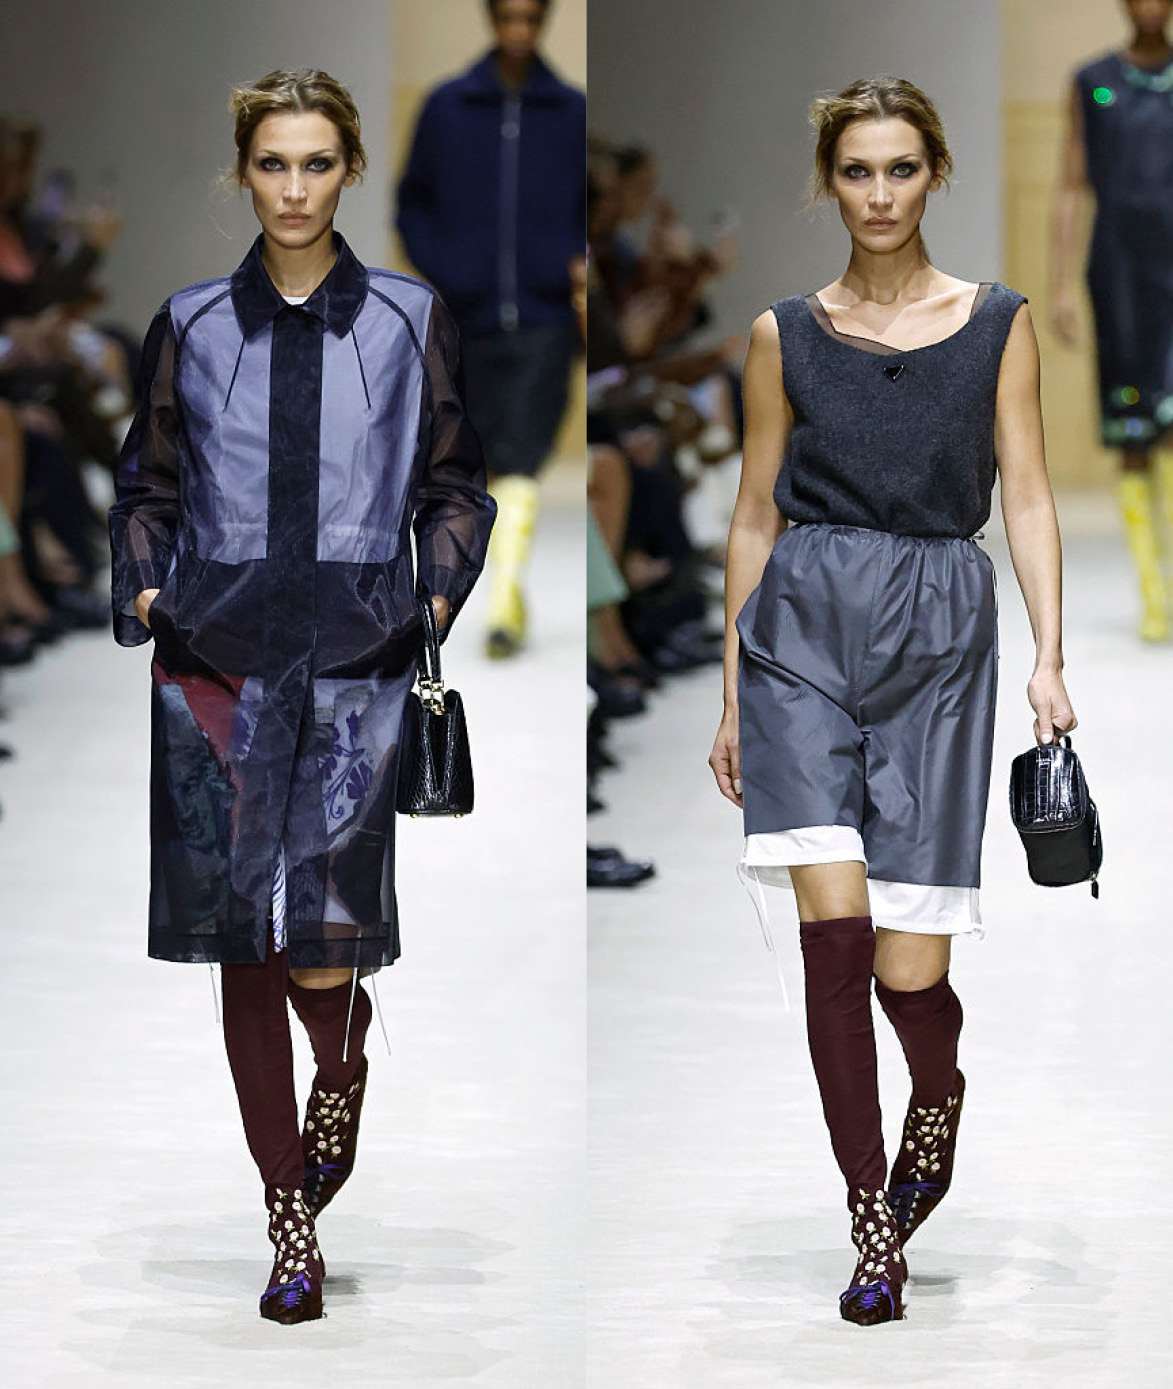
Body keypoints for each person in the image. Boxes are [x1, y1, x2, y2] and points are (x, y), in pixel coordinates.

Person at [107, 68, 496, 1325]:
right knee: (244, 941)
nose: (292, 188)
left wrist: (429, 603)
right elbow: (146, 483)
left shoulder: (407, 319)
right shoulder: (189, 322)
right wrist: (153, 596)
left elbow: (455, 482)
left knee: (323, 950)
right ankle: (288, 1215)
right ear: (244, 171)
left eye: (316, 163)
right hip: (215, 661)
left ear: (350, 170)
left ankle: (341, 1066)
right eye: (272, 164)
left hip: (352, 660)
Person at [708, 77, 1078, 1326]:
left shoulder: (996, 324)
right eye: (857, 171)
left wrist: (1049, 656)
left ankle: (938, 1087)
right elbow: (752, 513)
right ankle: (869, 1216)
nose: (878, 195)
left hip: (939, 634)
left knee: (909, 968)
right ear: (830, 181)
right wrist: (732, 691)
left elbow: (1027, 493)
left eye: (901, 169)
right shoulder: (781, 334)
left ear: (936, 175)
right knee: (836, 936)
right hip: (801, 632)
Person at [395, 0, 585, 658]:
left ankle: (504, 598)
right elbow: (411, 203)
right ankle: (500, 588)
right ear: (492, 19)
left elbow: (594, 202)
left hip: (545, 313)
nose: (519, 31)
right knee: (474, 459)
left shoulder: (571, 111)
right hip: (466, 315)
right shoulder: (447, 107)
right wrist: (451, 273)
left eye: (530, 18)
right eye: (509, 17)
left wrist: (572, 264)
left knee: (525, 453)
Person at [1051, 0, 1173, 641]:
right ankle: (1153, 594)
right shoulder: (1092, 81)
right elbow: (1072, 183)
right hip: (1120, 270)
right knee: (1132, 429)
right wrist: (1060, 283)